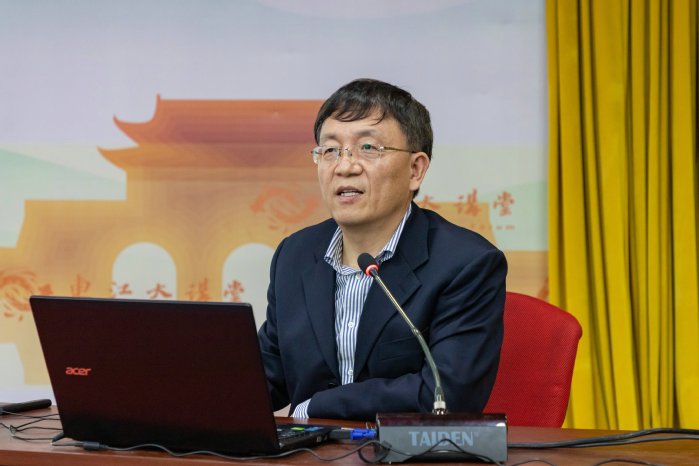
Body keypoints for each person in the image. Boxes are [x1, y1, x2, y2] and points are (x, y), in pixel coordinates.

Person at [258, 78, 507, 421]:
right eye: (330, 150)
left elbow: (446, 392)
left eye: (368, 148)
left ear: (415, 170)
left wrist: (315, 408)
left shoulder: (466, 263)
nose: (344, 166)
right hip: (309, 449)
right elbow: (267, 375)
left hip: (403, 450)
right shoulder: (296, 255)